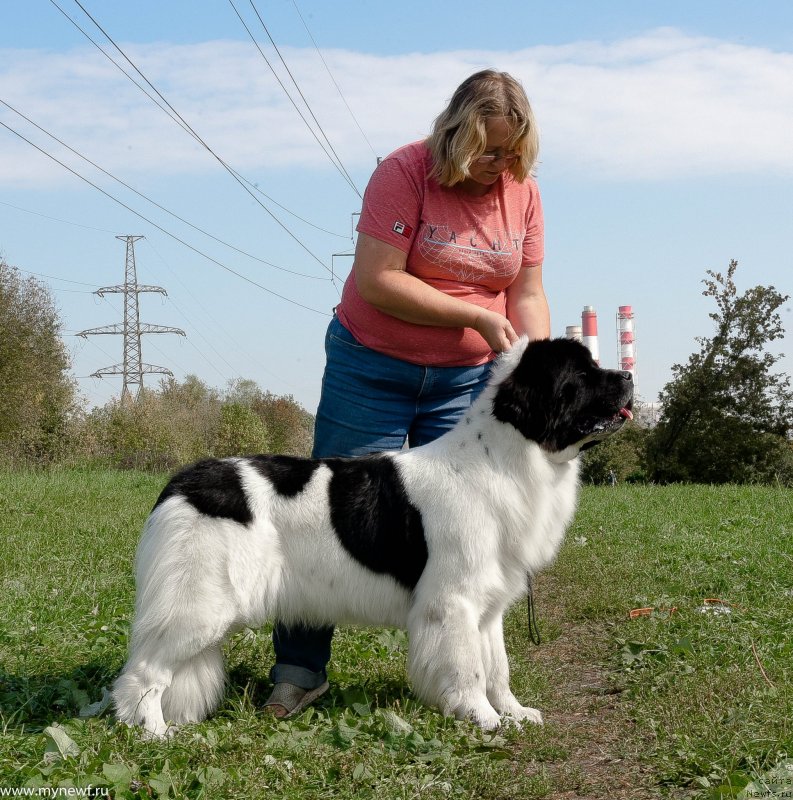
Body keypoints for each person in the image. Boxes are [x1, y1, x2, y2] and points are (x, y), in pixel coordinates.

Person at [263, 69, 550, 718]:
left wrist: (532, 363)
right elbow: (376, 281)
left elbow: (527, 292)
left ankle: (460, 683)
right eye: (485, 149)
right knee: (324, 519)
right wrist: (473, 316)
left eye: (509, 153)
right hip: (371, 370)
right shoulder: (403, 172)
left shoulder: (522, 195)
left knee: (465, 539)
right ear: (453, 134)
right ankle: (299, 671)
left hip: (463, 384)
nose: (496, 165)